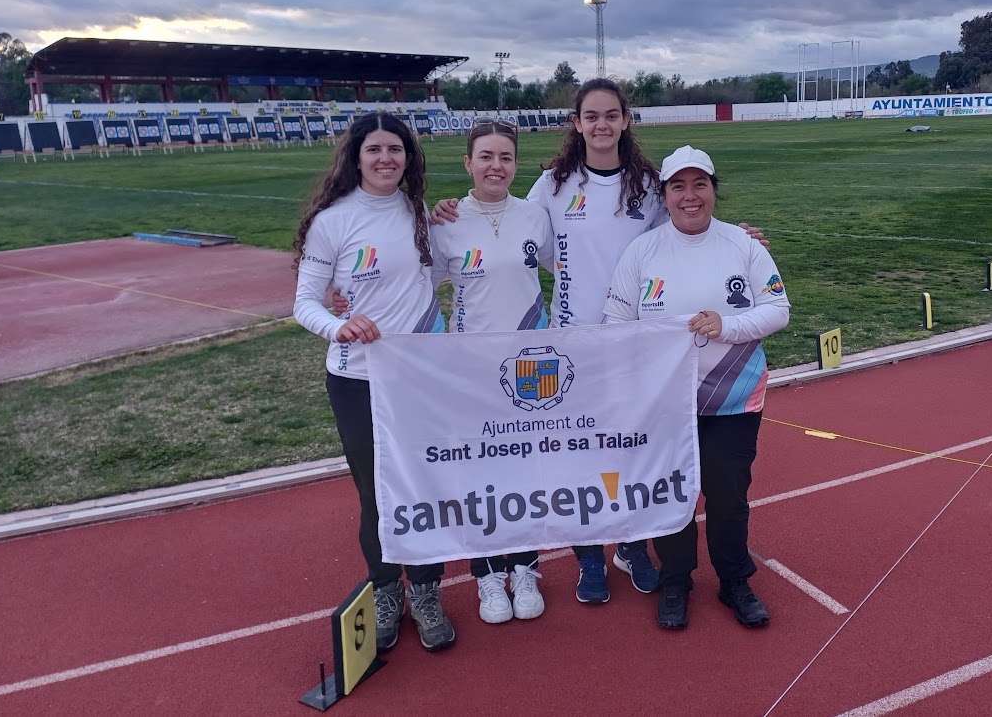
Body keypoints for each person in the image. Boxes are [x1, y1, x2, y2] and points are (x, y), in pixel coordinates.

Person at [433, 79, 771, 605]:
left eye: (611, 115)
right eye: (591, 116)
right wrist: (454, 210)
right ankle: (589, 554)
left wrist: (738, 239)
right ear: (577, 123)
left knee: (631, 451)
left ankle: (631, 546)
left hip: (637, 343)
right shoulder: (553, 184)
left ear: (625, 120)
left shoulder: (649, 184)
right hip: (571, 342)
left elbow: (687, 226)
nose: (601, 125)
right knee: (578, 453)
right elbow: (515, 227)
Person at [603, 145, 791, 630]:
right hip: (664, 400)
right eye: (678, 186)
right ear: (665, 195)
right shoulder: (642, 250)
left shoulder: (743, 244)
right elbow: (616, 321)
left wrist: (727, 325)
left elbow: (778, 310)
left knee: (728, 494)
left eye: (699, 184)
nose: (690, 196)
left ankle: (734, 580)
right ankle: (676, 581)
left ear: (713, 189)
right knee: (671, 494)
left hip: (734, 397)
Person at [292, 112, 456, 654]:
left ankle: (426, 591)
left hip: (419, 377)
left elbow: (431, 277)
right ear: (356, 157)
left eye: (395, 149)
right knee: (375, 492)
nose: (386, 159)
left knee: (422, 483)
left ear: (409, 157)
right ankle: (387, 590)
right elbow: (304, 303)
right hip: (356, 379)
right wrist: (338, 324)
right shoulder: (332, 221)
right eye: (375, 149)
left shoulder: (418, 213)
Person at [430, 119, 555, 624]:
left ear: (515, 164)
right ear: (468, 163)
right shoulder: (445, 221)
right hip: (472, 366)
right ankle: (485, 574)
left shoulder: (535, 217)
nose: (495, 166)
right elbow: (415, 287)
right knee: (479, 471)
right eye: (485, 156)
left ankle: (524, 568)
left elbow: (570, 268)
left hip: (533, 363)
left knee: (527, 469)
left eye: (505, 157)